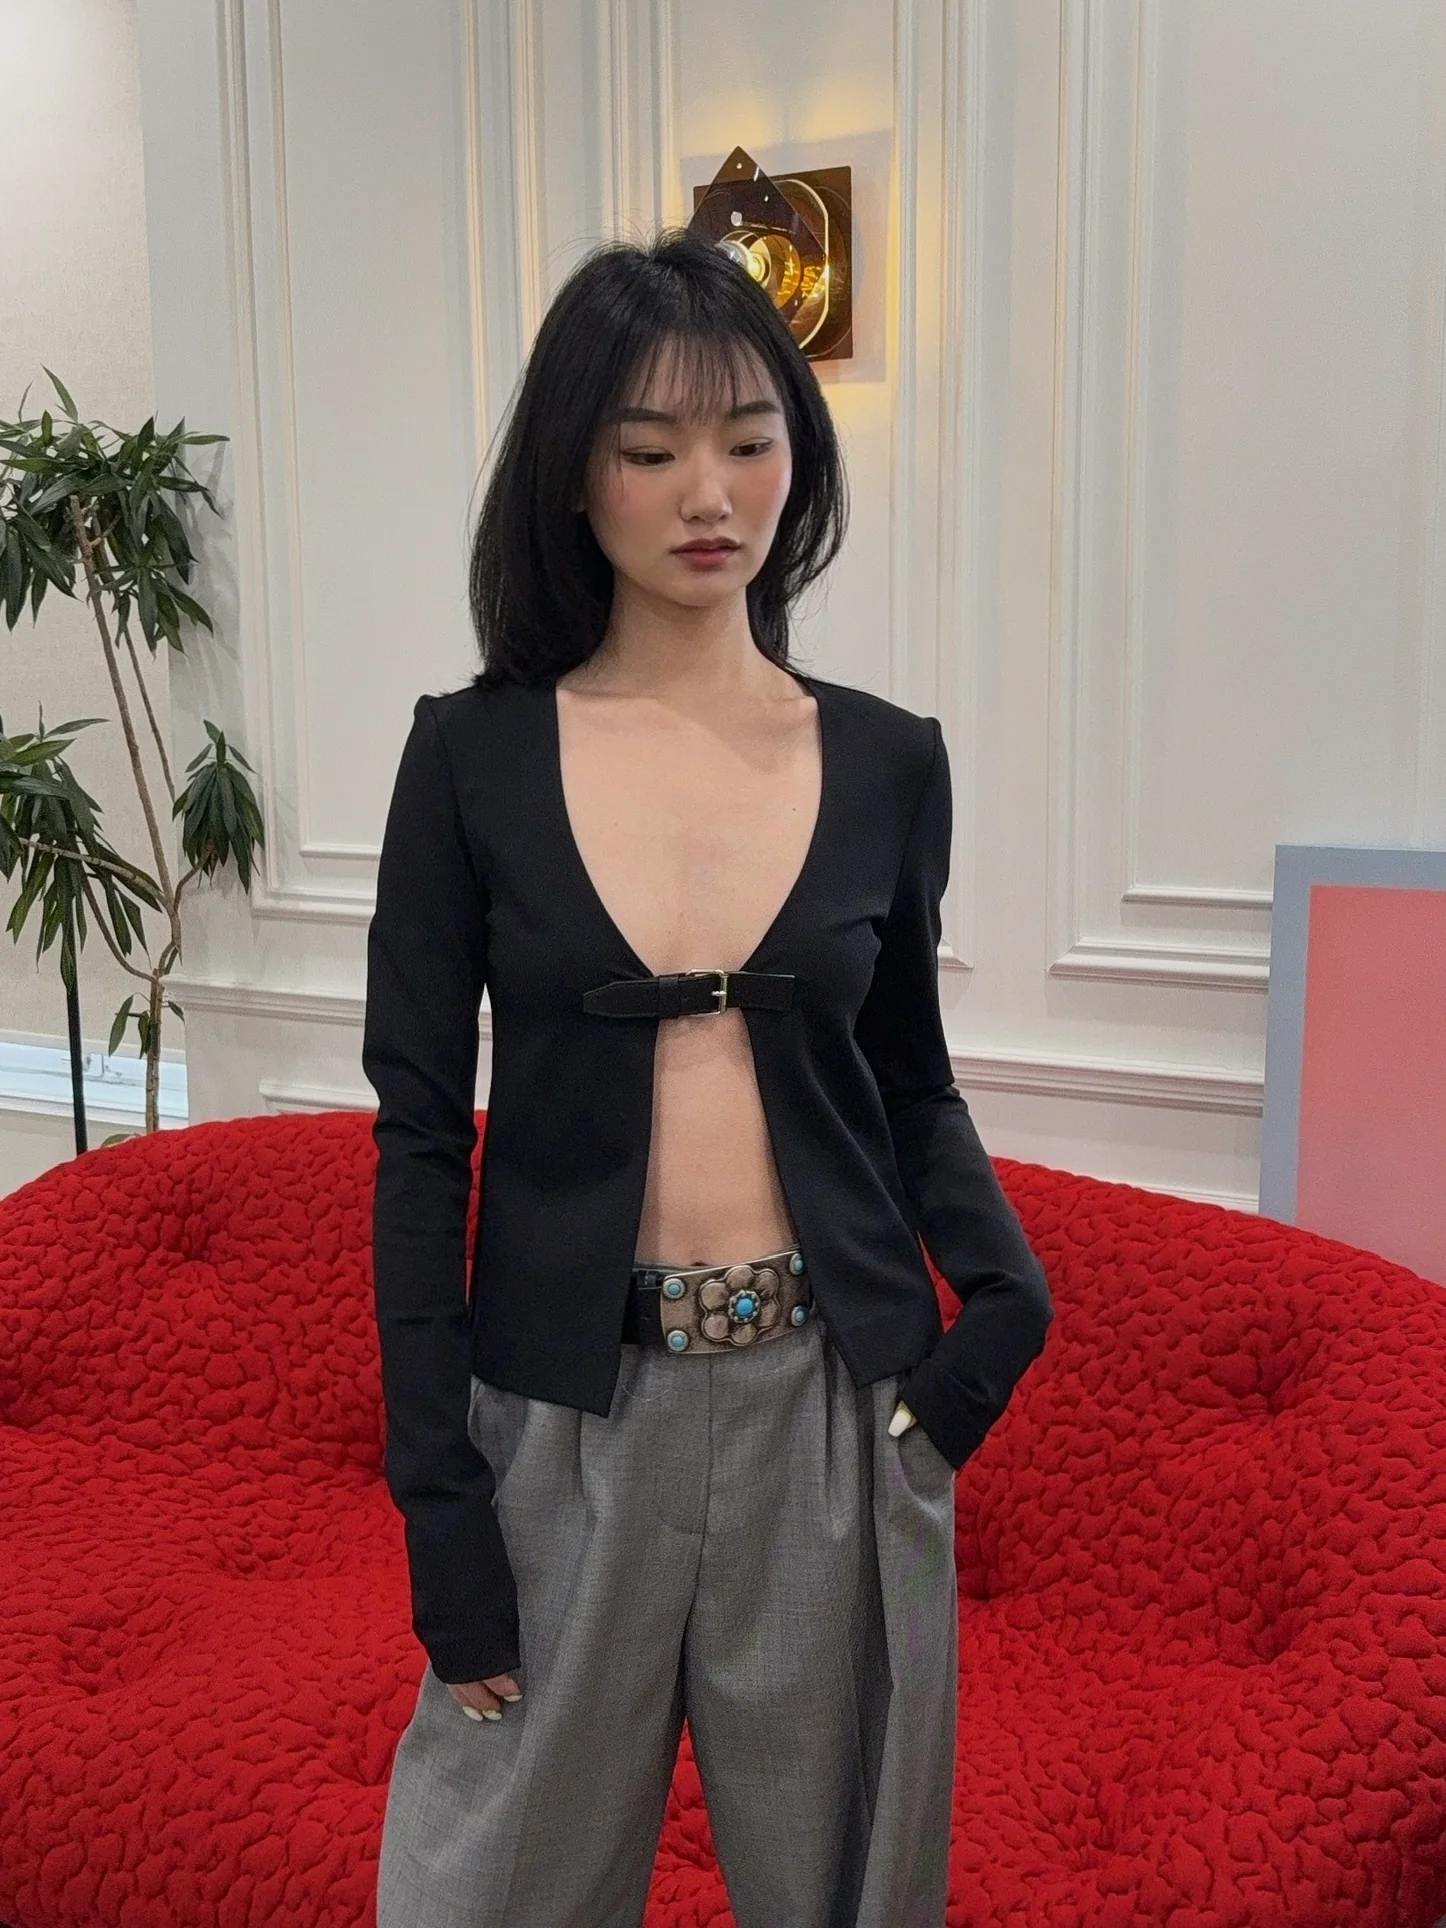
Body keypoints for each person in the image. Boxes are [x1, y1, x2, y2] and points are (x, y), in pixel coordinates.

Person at [363, 226, 1054, 1928]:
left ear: (794, 457)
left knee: (844, 1891)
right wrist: (439, 1502)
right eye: (647, 447)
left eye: (748, 438)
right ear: (572, 472)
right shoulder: (469, 756)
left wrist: (1003, 1303)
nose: (706, 492)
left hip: (831, 1409)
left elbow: (909, 1084)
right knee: (481, 1887)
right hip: (559, 1421)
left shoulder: (888, 760)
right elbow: (419, 1141)